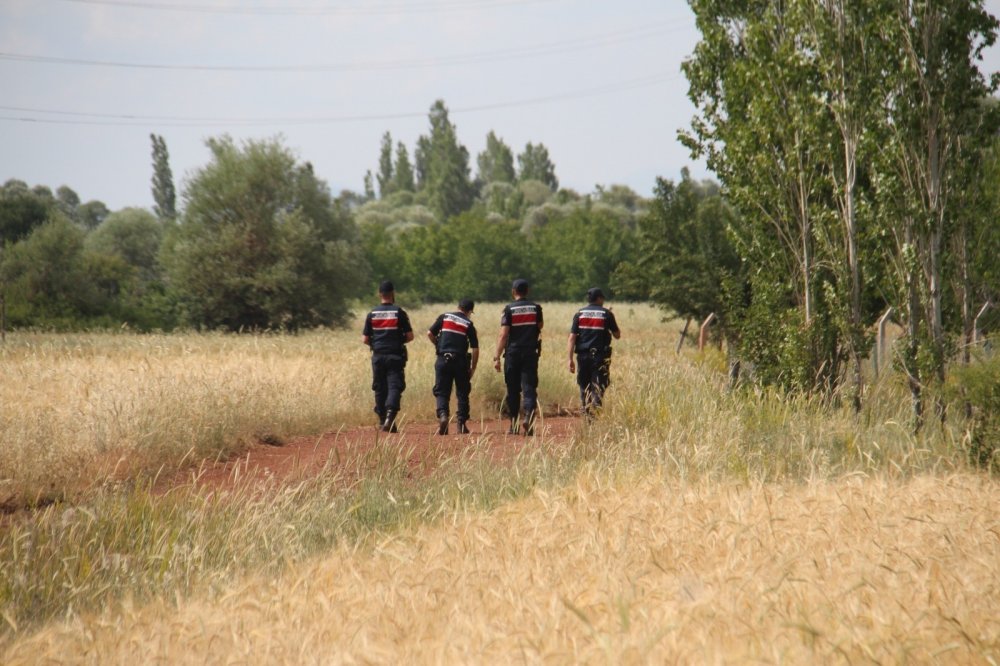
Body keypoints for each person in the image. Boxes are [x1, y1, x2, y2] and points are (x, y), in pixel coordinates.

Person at [493, 279, 543, 435]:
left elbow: (503, 334)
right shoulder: (536, 308)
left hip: (512, 353)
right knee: (529, 388)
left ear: (513, 291)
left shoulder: (508, 309)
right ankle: (528, 417)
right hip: (530, 353)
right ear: (527, 291)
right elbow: (540, 326)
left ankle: (513, 425)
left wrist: (497, 356)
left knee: (513, 390)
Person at [362, 280, 414, 432]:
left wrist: (377, 343)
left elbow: (365, 339)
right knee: (394, 385)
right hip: (395, 356)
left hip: (378, 356)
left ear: (380, 294)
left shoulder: (372, 314)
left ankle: (382, 420)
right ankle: (390, 415)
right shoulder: (399, 312)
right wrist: (398, 341)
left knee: (379, 388)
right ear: (393, 293)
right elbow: (410, 336)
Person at [427, 299, 479, 435]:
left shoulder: (444, 317)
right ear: (469, 311)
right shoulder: (468, 323)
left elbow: (429, 333)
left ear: (458, 307)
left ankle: (443, 416)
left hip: (443, 359)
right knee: (462, 392)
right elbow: (475, 348)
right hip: (460, 361)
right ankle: (461, 424)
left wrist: (438, 345)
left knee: (442, 392)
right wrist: (473, 367)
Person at [567, 287, 621, 416]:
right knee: (599, 386)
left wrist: (569, 359)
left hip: (583, 356)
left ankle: (586, 413)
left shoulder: (579, 314)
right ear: (599, 299)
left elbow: (572, 338)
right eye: (602, 298)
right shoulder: (606, 314)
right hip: (600, 356)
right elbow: (617, 335)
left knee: (584, 386)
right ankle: (596, 414)